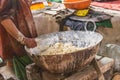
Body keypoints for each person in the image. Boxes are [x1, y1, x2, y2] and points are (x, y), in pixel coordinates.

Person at [0, 0, 37, 79]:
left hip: (22, 44)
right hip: (15, 47)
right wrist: (23, 39)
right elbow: (4, 19)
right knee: (20, 74)